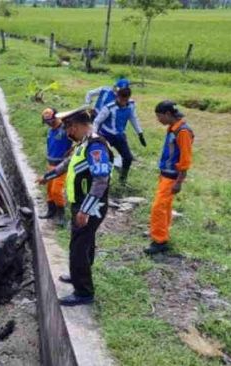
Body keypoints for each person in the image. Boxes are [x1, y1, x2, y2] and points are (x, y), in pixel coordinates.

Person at [38, 107, 113, 306]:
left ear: (79, 125)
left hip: (90, 206)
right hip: (82, 203)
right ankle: (79, 274)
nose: (68, 133)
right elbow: (68, 163)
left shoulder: (96, 147)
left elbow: (101, 180)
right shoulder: (84, 143)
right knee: (85, 243)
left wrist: (85, 210)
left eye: (69, 128)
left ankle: (84, 292)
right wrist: (48, 177)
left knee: (78, 247)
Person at [144, 101, 194, 255]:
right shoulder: (173, 129)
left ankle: (159, 241)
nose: (158, 119)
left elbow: (185, 159)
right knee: (164, 208)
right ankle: (161, 234)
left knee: (158, 208)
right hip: (165, 175)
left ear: (167, 114)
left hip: (172, 178)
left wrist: (179, 182)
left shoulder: (182, 131)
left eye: (159, 116)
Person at [92, 86, 146, 184]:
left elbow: (133, 118)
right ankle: (101, 180)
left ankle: (122, 179)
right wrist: (95, 135)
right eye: (120, 99)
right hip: (106, 135)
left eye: (125, 100)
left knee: (128, 158)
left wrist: (140, 133)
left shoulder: (131, 105)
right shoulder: (109, 107)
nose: (122, 102)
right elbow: (96, 121)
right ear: (117, 96)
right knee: (105, 157)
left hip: (119, 136)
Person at [39, 108, 72, 227]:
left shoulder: (65, 129)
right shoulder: (50, 131)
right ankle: (51, 211)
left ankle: (61, 215)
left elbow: (76, 142)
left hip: (61, 165)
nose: (49, 124)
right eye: (47, 122)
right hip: (50, 164)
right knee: (49, 190)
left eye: (51, 121)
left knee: (56, 190)